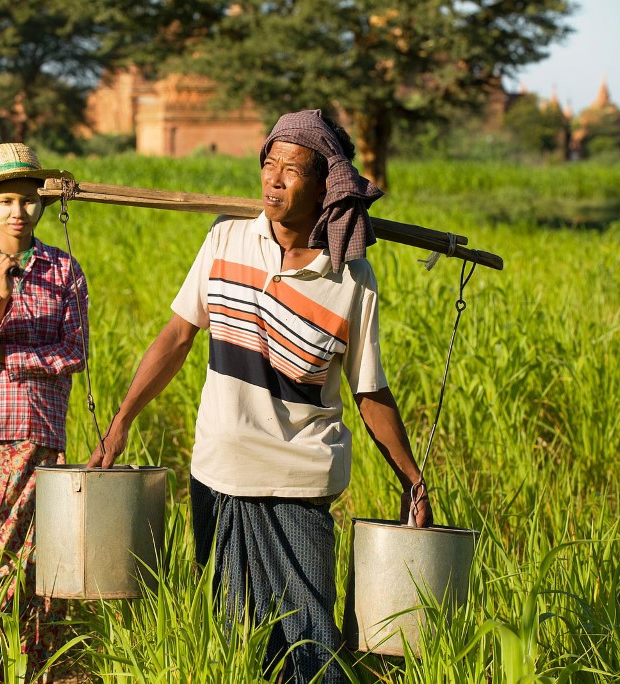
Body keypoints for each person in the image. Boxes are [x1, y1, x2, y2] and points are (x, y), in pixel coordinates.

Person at [88, 109, 433, 683]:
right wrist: (122, 420)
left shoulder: (350, 279)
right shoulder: (226, 238)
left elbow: (370, 389)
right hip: (218, 471)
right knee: (232, 641)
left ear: (325, 187)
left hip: (299, 478)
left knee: (310, 643)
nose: (273, 179)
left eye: (291, 169)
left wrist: (413, 480)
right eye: (268, 164)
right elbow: (176, 336)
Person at [0, 142, 89, 678]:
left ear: (41, 206)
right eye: (5, 201)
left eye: (27, 200)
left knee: (42, 558)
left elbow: (74, 352)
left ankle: (38, 667)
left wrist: (19, 360)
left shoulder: (64, 269)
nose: (18, 212)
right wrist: (1, 301)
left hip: (43, 436)